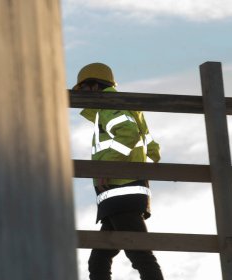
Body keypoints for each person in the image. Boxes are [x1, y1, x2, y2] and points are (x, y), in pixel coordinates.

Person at [73, 62, 164, 280]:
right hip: (124, 191)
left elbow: (128, 133)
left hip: (121, 190)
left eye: (83, 90)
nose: (83, 96)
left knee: (139, 253)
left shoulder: (108, 105)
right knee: (100, 259)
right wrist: (151, 155)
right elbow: (148, 142)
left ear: (95, 87)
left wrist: (108, 167)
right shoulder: (126, 104)